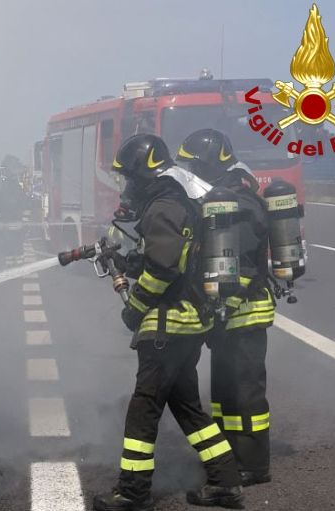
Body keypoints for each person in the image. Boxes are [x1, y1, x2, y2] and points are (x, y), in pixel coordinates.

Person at [92, 134, 243, 511]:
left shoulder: (162, 207)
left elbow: (163, 267)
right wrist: (130, 264)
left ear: (145, 176)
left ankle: (132, 492)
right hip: (186, 325)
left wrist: (134, 307)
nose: (127, 185)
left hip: (168, 326)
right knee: (188, 408)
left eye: (130, 177)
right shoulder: (177, 203)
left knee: (143, 409)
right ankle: (226, 480)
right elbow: (163, 258)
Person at [176, 129, 274, 487]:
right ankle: (230, 455)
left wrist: (227, 301)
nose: (192, 172)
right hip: (225, 314)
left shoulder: (240, 200)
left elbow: (246, 262)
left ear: (211, 162)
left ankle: (253, 465)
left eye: (195, 165)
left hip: (244, 314)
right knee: (224, 392)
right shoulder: (222, 197)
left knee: (245, 392)